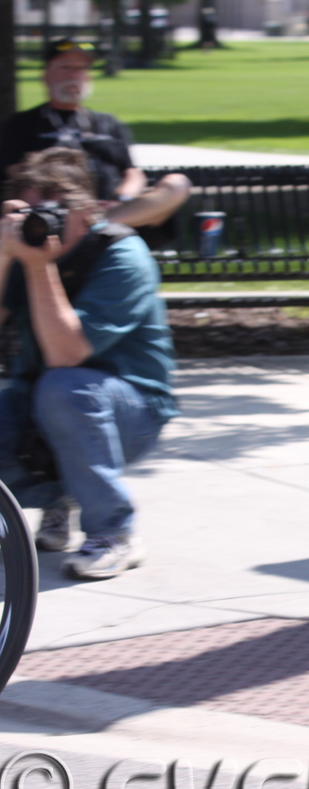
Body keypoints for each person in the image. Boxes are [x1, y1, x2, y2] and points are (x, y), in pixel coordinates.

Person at [0, 148, 178, 580]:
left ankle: (115, 534)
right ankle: (55, 501)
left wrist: (38, 265)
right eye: (30, 213)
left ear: (87, 211)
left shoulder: (122, 255)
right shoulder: (23, 255)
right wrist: (6, 253)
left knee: (65, 388)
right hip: (48, 400)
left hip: (131, 408)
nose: (41, 224)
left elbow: (68, 354)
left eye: (52, 212)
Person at [0, 38, 191, 235]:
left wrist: (122, 199)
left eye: (81, 68)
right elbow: (20, 175)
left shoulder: (107, 122)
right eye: (65, 67)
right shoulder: (22, 124)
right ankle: (92, 226)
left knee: (177, 184)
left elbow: (132, 174)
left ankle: (97, 225)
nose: (74, 74)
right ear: (46, 76)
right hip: (57, 214)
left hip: (114, 211)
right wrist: (75, 203)